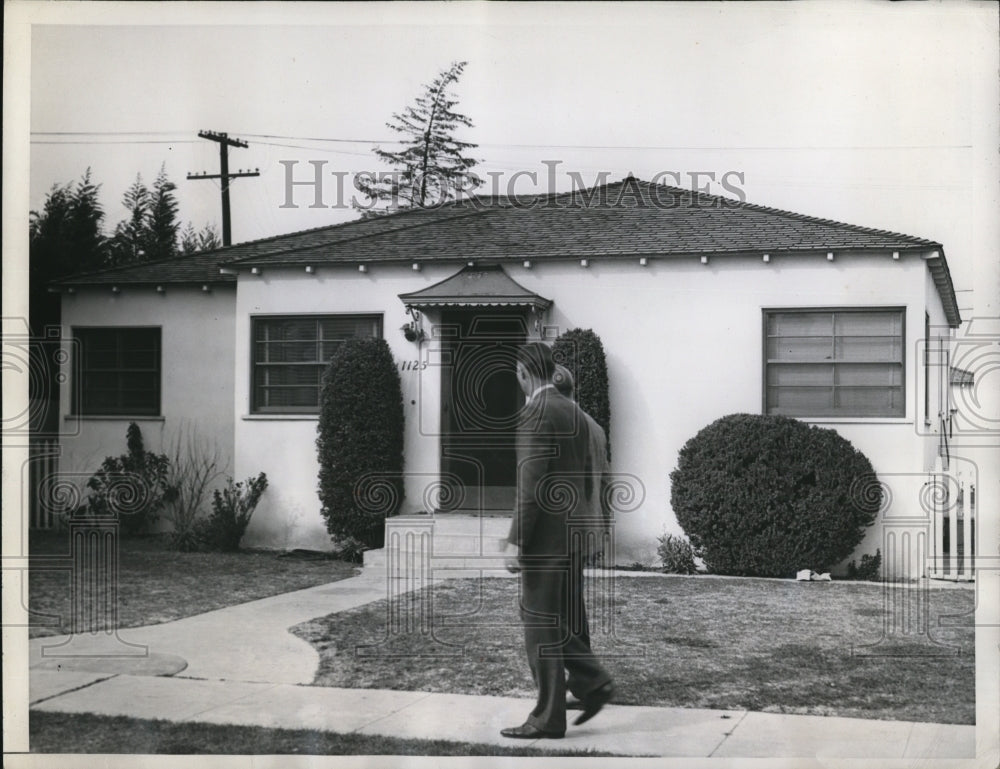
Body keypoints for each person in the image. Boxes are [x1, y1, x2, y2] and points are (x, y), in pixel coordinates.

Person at [500, 342, 614, 740]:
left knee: (540, 624)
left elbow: (531, 483)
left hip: (546, 538)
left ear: (524, 374)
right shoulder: (576, 413)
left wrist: (516, 539)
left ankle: (549, 716)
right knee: (556, 621)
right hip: (572, 535)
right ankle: (592, 681)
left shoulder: (535, 411)